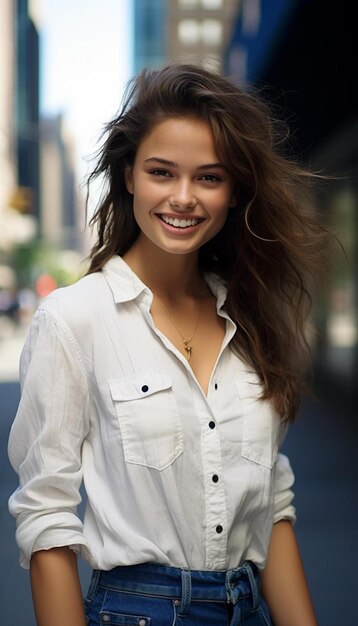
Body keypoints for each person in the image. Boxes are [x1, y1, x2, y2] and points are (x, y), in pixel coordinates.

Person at [8, 63, 326, 626]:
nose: (183, 197)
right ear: (128, 175)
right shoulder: (75, 319)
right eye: (162, 172)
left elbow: (272, 508)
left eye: (209, 177)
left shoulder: (251, 321)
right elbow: (47, 516)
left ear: (234, 191)